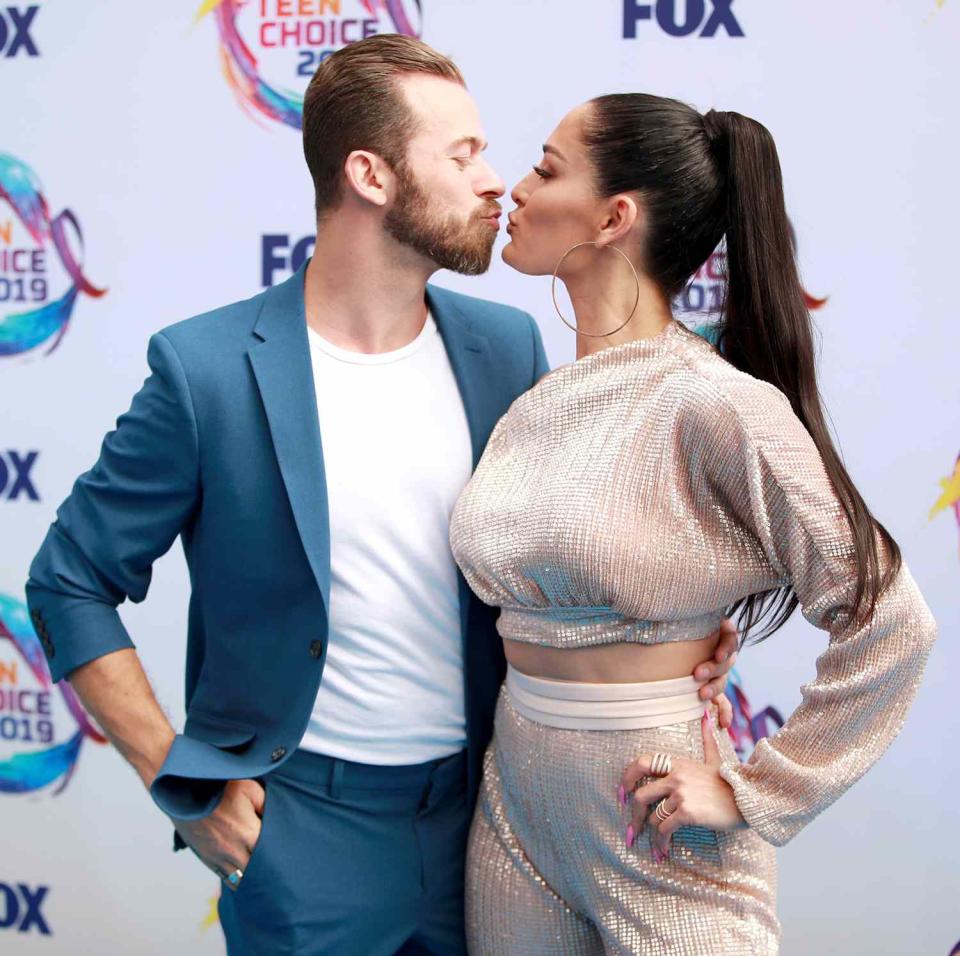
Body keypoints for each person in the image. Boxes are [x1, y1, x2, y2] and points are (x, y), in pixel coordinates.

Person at [24, 40, 738, 956]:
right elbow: (68, 580)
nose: (497, 183)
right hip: (302, 831)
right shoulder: (204, 373)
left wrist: (682, 645)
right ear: (369, 174)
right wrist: (175, 772)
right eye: (463, 154)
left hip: (498, 824)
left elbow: (564, 555)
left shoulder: (506, 348)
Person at [450, 93, 937, 955]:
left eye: (546, 167)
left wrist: (757, 793)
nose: (515, 190)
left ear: (613, 217)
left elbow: (891, 619)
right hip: (514, 798)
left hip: (658, 811)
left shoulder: (717, 404)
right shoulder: (532, 403)